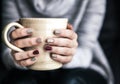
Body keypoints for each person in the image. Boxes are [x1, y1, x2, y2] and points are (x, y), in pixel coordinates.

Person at [1, 0, 114, 84]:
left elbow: (86, 49)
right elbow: (8, 48)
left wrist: (68, 56)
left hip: (83, 64)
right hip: (27, 67)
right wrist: (16, 57)